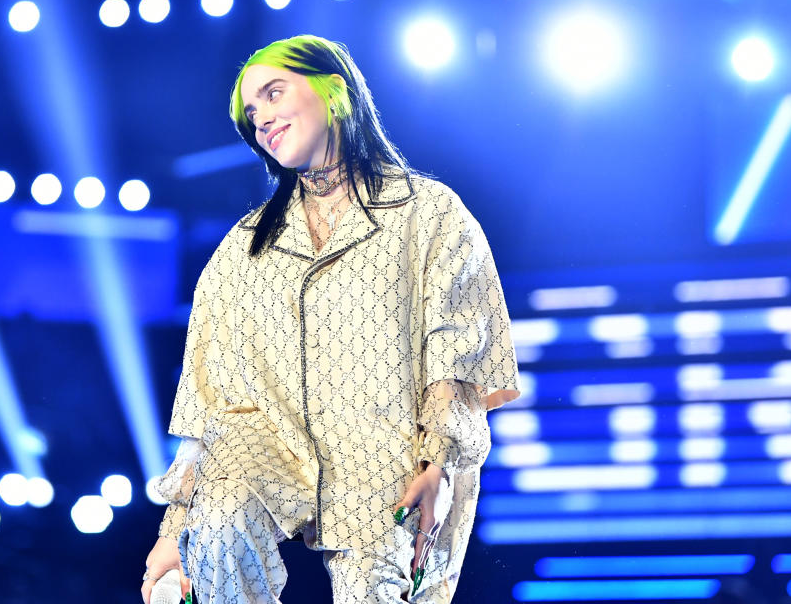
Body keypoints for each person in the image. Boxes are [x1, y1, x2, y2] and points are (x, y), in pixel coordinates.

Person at [141, 34, 521, 604]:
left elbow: (455, 353)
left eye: (273, 93)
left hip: (390, 451)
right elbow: (211, 401)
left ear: (334, 91)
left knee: (379, 591)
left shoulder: (431, 215)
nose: (262, 119)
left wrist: (439, 467)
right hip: (267, 442)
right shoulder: (243, 250)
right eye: (251, 113)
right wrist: (178, 532)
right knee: (218, 528)